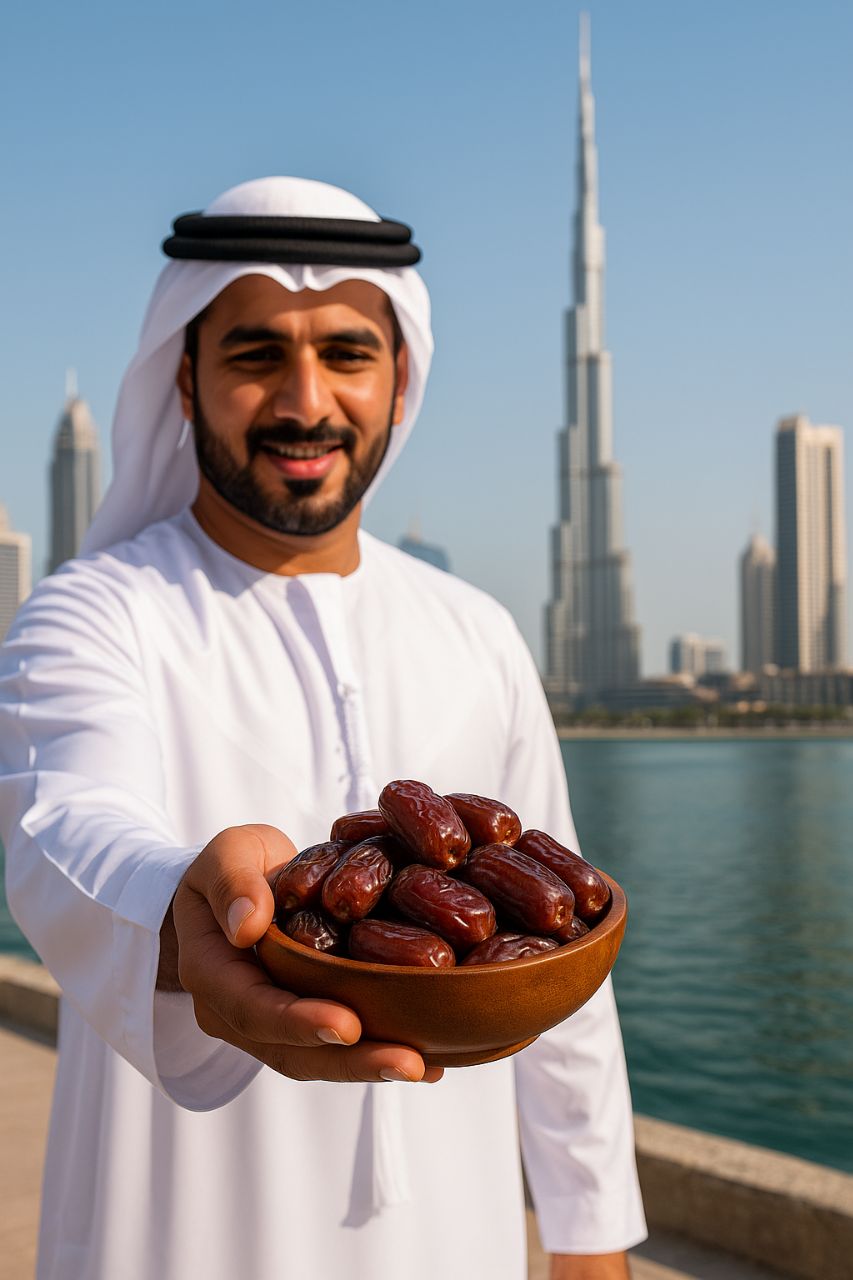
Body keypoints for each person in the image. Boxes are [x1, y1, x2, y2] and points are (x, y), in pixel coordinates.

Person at [0, 177, 646, 1280]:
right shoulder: (93, 612)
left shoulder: (477, 632)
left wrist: (588, 1230)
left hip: (456, 1237)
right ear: (185, 380)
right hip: (175, 1240)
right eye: (256, 354)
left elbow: (563, 961)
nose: (306, 401)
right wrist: (187, 908)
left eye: (347, 354)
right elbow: (68, 823)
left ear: (400, 383)